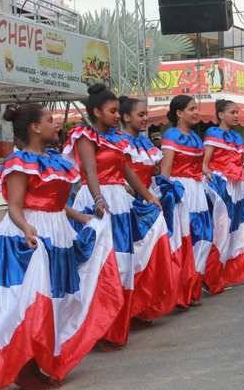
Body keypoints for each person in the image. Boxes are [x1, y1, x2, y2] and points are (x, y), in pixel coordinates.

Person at [0, 103, 124, 390]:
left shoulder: (55, 161)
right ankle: (24, 365)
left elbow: (56, 201)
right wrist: (27, 229)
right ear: (34, 127)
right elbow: (16, 206)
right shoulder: (20, 162)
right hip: (28, 237)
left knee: (58, 298)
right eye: (49, 120)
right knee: (27, 303)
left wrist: (83, 217)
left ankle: (45, 358)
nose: (56, 125)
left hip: (58, 234)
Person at [64, 85, 173, 348]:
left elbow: (127, 170)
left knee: (123, 263)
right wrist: (98, 199)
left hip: (120, 203)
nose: (116, 115)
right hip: (96, 201)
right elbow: (90, 170)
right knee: (97, 266)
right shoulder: (84, 135)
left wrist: (148, 197)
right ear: (96, 111)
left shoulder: (117, 138)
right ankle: (96, 328)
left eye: (117, 111)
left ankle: (118, 321)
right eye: (112, 111)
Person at [117, 95, 178, 320]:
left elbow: (151, 173)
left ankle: (142, 306)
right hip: (127, 204)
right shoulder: (119, 142)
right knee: (130, 258)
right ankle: (128, 309)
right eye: (140, 115)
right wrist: (128, 191)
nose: (145, 119)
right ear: (125, 117)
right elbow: (117, 171)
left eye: (146, 114)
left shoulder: (145, 143)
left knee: (149, 254)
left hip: (146, 202)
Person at [202, 100, 244, 294]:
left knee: (232, 231)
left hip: (235, 185)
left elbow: (238, 163)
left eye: (237, 112)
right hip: (220, 185)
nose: (236, 116)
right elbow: (205, 161)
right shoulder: (214, 133)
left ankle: (222, 273)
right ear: (221, 115)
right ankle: (210, 276)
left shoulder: (237, 137)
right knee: (220, 231)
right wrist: (206, 173)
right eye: (232, 112)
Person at [161, 95, 212, 307]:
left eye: (196, 108)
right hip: (181, 192)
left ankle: (192, 286)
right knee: (185, 239)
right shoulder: (171, 135)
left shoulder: (196, 138)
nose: (195, 113)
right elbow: (166, 168)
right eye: (191, 109)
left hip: (197, 190)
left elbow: (198, 165)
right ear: (179, 113)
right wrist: (164, 193)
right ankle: (181, 290)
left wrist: (206, 173)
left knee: (203, 237)